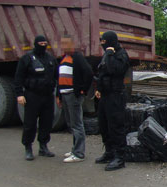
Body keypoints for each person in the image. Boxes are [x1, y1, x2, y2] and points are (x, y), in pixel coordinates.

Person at [14, 35, 58, 161]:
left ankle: (43, 147)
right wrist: (19, 94)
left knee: (47, 122)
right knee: (30, 123)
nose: (43, 45)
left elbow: (56, 76)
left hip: (47, 95)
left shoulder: (50, 58)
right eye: (41, 43)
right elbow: (18, 78)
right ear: (35, 43)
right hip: (32, 95)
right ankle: (28, 147)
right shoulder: (27, 58)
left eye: (45, 42)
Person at [94, 31, 130, 171]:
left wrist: (109, 54)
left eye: (104, 42)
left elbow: (116, 70)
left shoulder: (121, 54)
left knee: (116, 126)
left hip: (116, 95)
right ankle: (109, 152)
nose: (102, 44)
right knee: (104, 125)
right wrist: (99, 89)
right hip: (105, 95)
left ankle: (120, 157)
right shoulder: (107, 54)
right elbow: (102, 73)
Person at [56, 36, 93, 163]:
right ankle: (74, 149)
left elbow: (88, 73)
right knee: (71, 123)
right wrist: (59, 96)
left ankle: (79, 153)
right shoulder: (64, 58)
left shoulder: (77, 57)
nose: (64, 46)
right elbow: (59, 79)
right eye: (62, 43)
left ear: (72, 44)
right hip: (65, 94)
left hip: (73, 95)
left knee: (77, 123)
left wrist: (82, 90)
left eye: (66, 43)